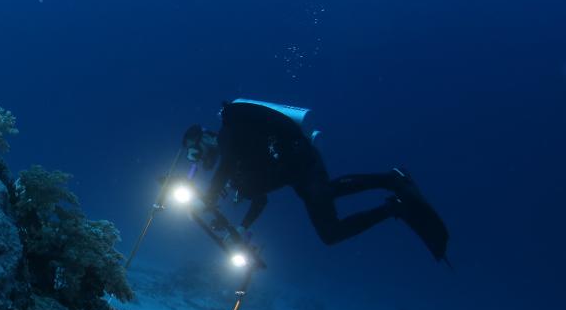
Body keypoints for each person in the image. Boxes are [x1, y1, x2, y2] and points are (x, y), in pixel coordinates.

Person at [182, 99, 449, 262]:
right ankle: (392, 195)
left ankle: (392, 188)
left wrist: (208, 197)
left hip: (302, 162)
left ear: (205, 137)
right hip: (296, 167)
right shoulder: (236, 155)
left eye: (195, 150)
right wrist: (240, 228)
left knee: (330, 228)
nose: (198, 158)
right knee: (329, 209)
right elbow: (259, 198)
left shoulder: (228, 135)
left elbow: (225, 168)